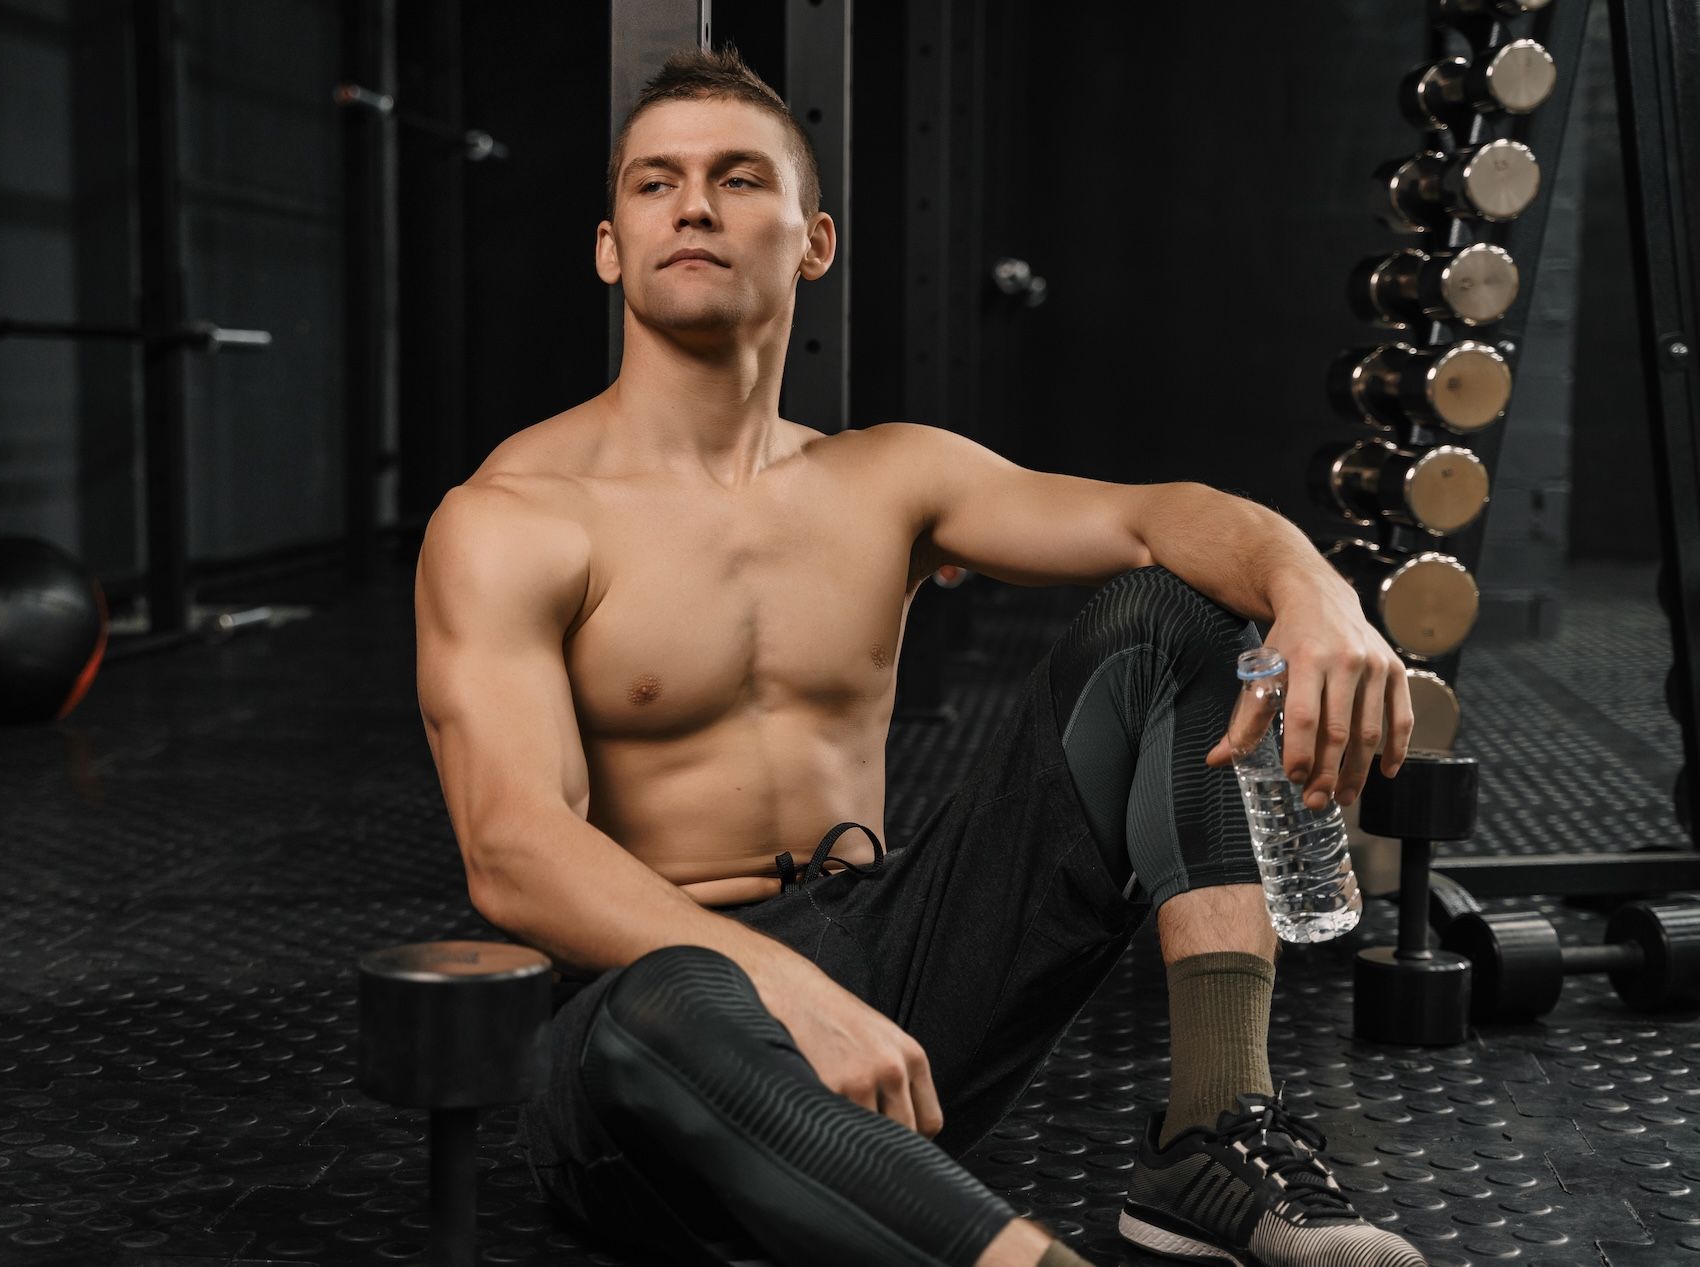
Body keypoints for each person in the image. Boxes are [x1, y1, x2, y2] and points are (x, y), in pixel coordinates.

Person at [413, 42, 1425, 1267]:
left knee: (1179, 616)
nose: (692, 204)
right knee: (668, 994)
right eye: (652, 183)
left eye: (738, 179)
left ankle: (1209, 1137)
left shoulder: (887, 476)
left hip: (884, 978)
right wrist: (773, 983)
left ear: (814, 240)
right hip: (651, 1052)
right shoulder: (512, 517)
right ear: (609, 246)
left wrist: (1312, 591)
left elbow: (1155, 516)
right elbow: (513, 850)